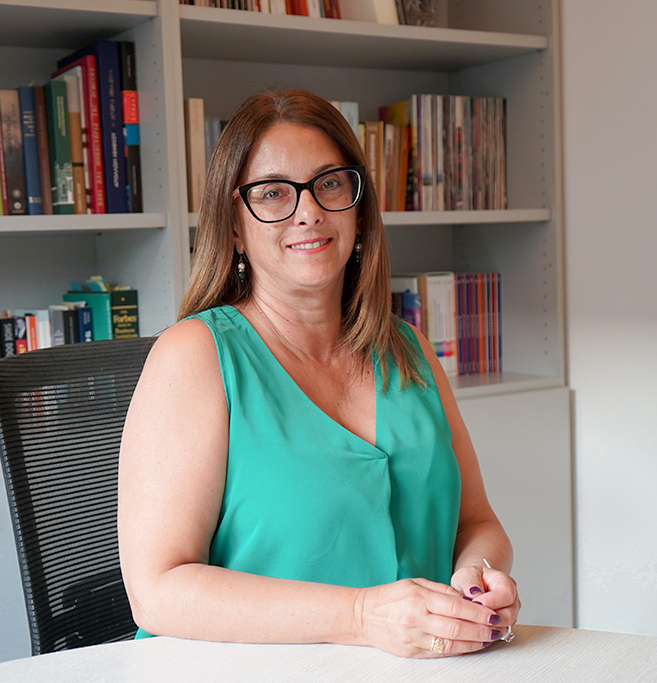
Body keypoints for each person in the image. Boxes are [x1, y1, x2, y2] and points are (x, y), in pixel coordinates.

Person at [117, 88, 520, 659]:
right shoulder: (194, 356)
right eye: (272, 192)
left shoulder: (409, 350)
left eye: (329, 183)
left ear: (359, 207)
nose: (308, 211)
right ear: (234, 227)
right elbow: (157, 592)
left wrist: (478, 580)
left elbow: (477, 524)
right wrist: (362, 617)